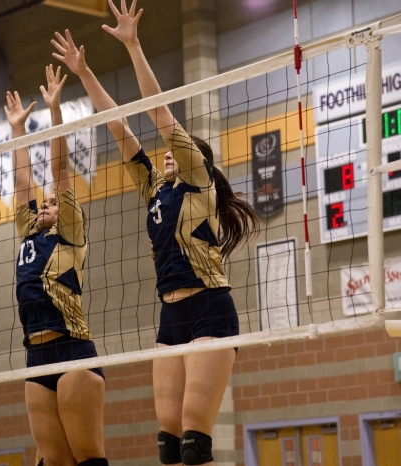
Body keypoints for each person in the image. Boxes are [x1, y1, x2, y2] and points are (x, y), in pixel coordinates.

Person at [52, 1, 259, 463]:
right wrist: (85, 74)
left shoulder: (197, 180)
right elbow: (118, 125)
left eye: (175, 151)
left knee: (193, 444)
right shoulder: (152, 189)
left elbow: (158, 114)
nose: (166, 155)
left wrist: (133, 44)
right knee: (166, 446)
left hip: (210, 310)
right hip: (170, 318)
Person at [5, 64, 108, 466]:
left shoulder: (69, 233)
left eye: (52, 202)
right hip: (35, 355)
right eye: (43, 202)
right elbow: (21, 182)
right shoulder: (28, 234)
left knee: (88, 458)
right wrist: (17, 129)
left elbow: (59, 171)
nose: (46, 204)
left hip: (73, 350)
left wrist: (54, 111)